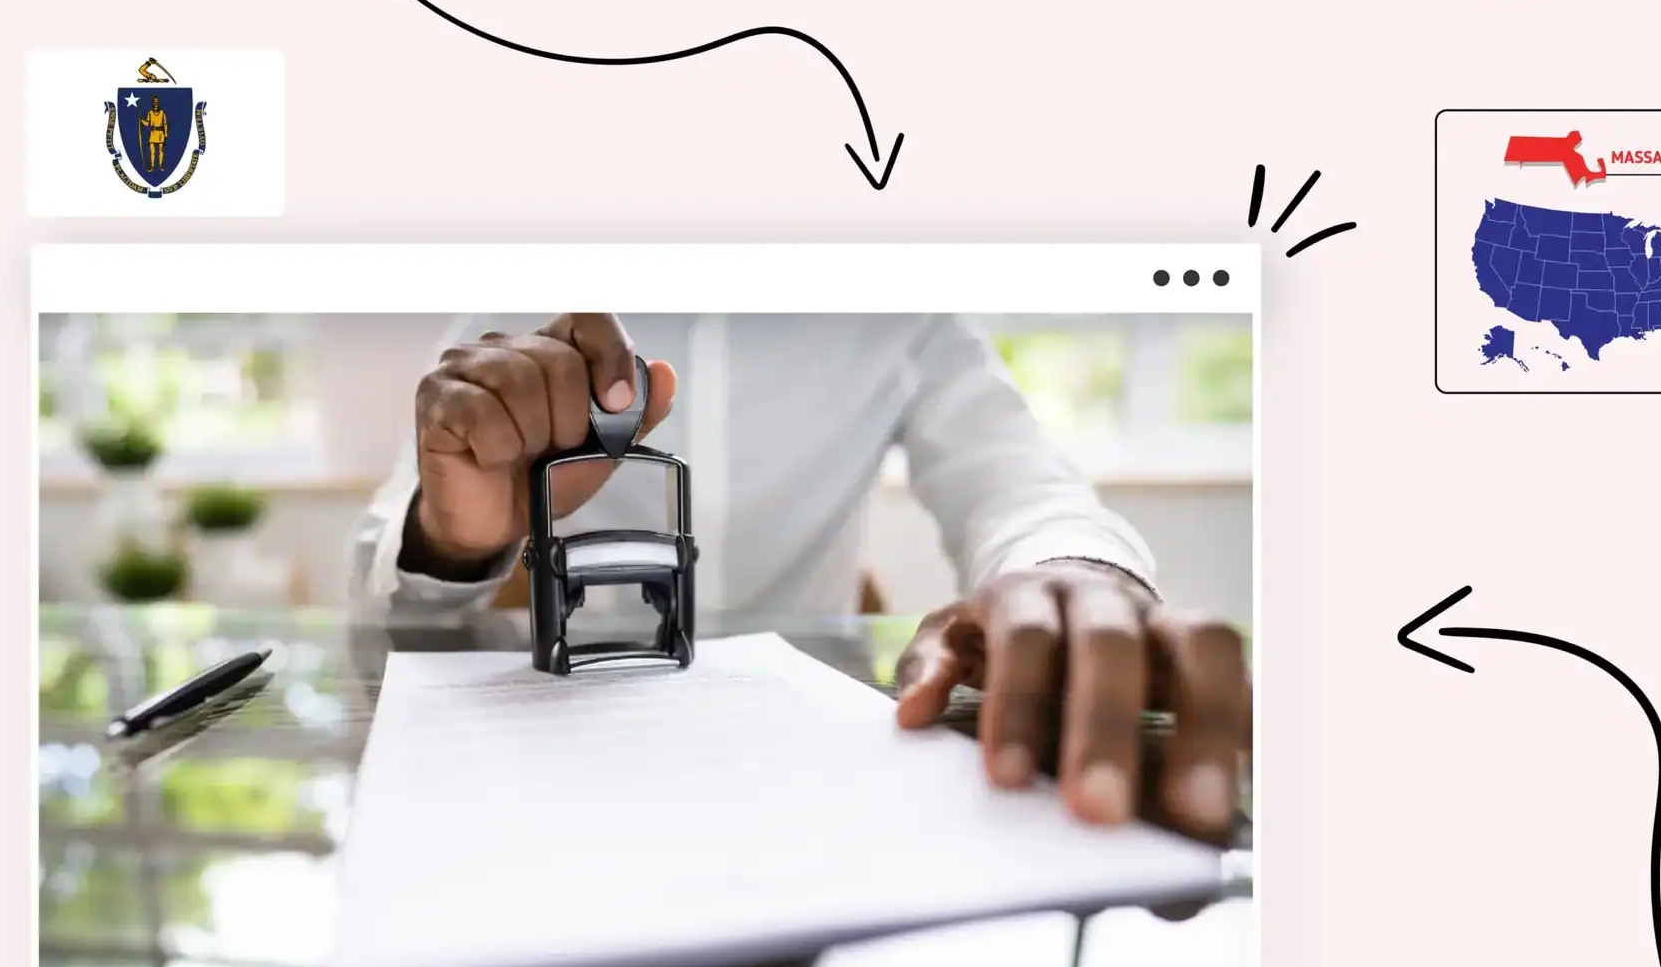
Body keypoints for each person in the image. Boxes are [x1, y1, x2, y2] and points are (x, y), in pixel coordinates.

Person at [347, 313, 1250, 842]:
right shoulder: (527, 293)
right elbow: (387, 578)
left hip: (809, 800)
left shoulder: (898, 305)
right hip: (553, 796)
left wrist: (1069, 566)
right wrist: (453, 537)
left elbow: (1019, 480)